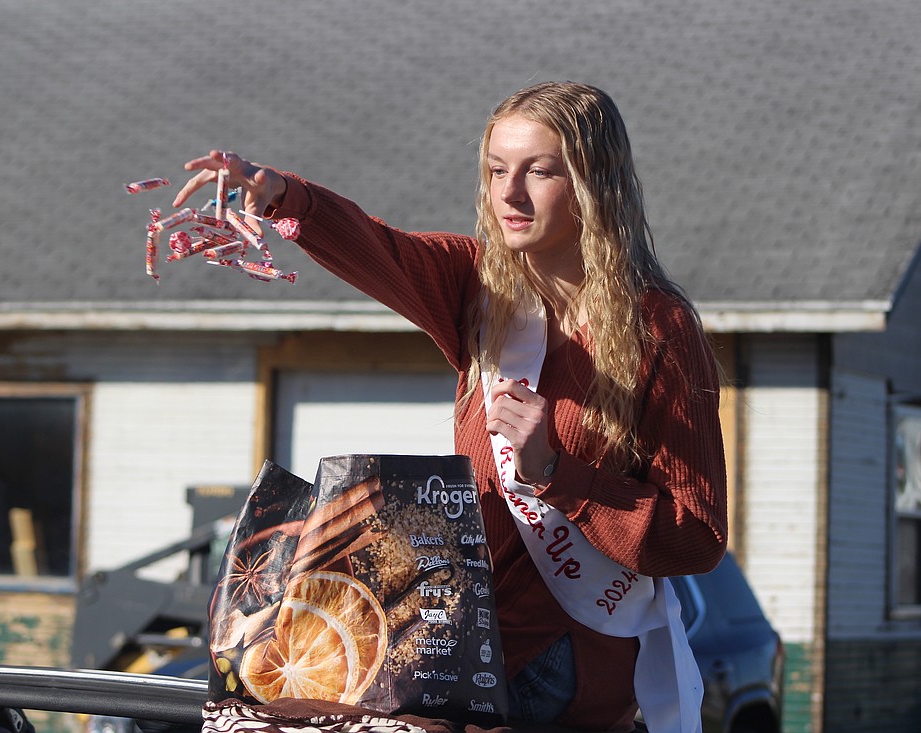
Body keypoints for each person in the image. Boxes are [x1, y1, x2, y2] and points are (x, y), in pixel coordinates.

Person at [173, 81, 727, 733]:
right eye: (497, 171)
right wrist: (284, 198)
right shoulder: (483, 290)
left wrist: (556, 470)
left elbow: (696, 536)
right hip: (449, 639)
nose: (510, 193)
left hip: (563, 654)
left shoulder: (657, 329)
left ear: (594, 183)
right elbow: (382, 249)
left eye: (539, 171)